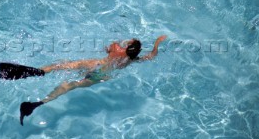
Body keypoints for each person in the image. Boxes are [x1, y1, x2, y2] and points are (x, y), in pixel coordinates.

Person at [20, 35, 167, 125]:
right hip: (100, 76)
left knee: (62, 65)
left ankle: (32, 72)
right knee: (68, 86)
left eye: (129, 41)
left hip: (95, 65)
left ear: (129, 45)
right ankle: (36, 104)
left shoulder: (116, 47)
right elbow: (151, 56)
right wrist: (156, 44)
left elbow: (108, 48)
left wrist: (113, 45)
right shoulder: (130, 59)